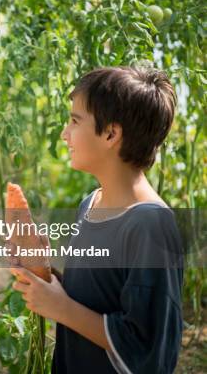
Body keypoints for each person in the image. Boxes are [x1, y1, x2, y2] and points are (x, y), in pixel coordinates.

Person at [10, 67, 183, 373]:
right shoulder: (91, 204)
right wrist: (45, 276)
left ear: (110, 134)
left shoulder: (151, 226)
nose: (65, 134)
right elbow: (99, 298)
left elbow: (149, 350)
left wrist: (59, 307)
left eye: (75, 121)